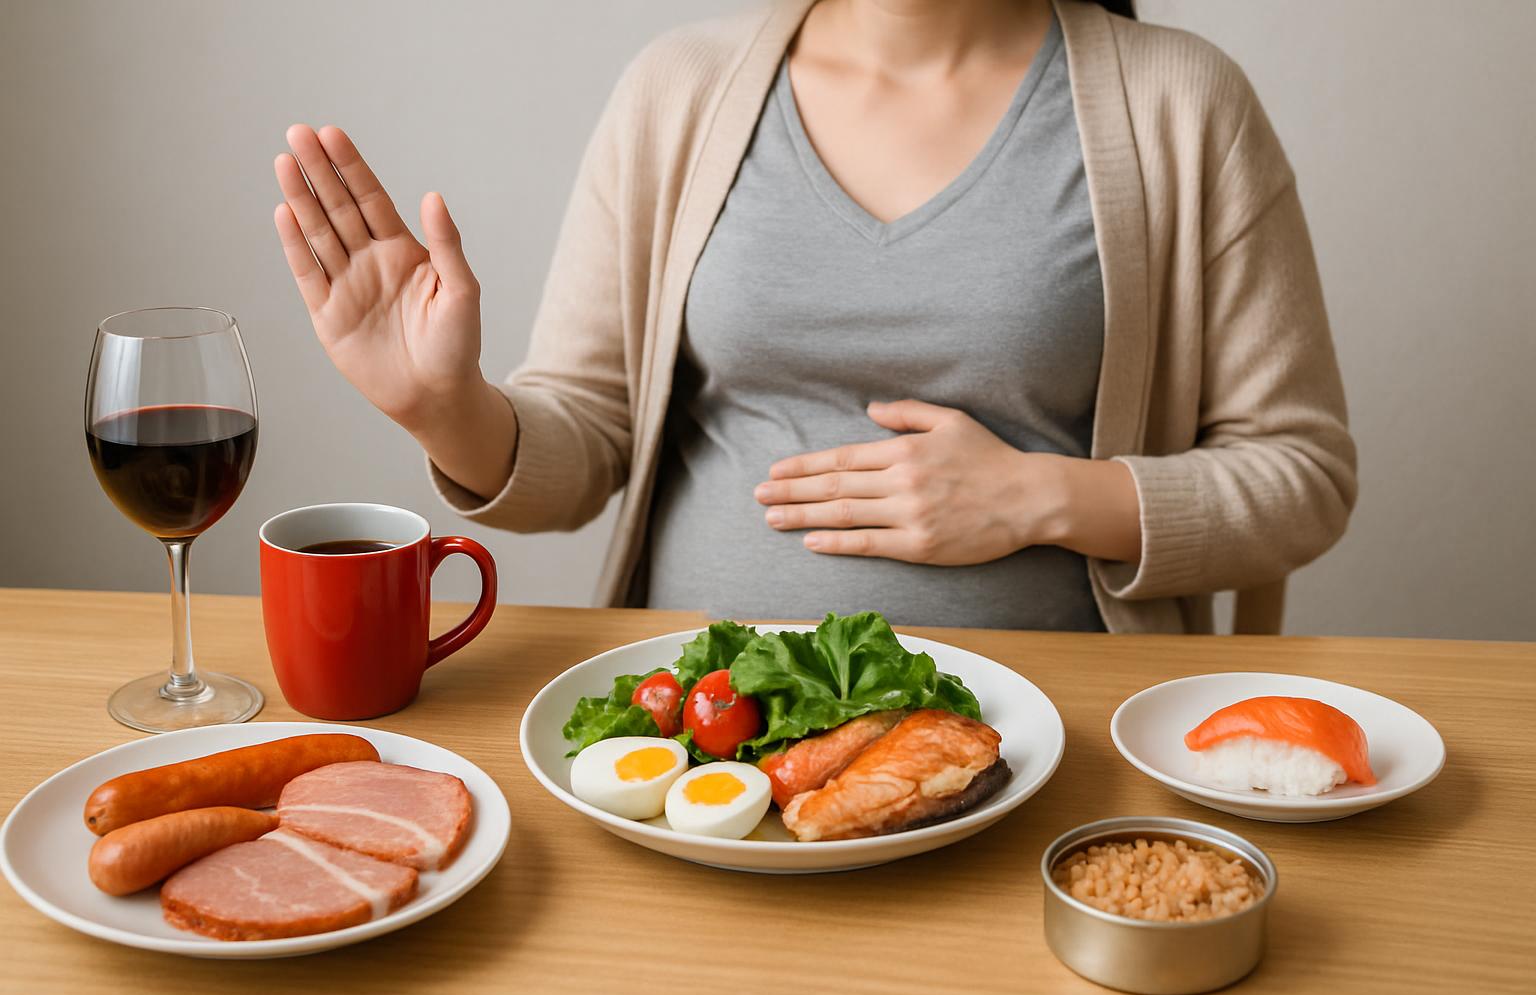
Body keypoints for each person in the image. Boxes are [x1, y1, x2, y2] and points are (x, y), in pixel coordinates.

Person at [271, 0, 1356, 633]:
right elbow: (589, 437)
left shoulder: (1182, 103)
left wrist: (1043, 497)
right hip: (700, 745)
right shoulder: (676, 92)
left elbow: (1302, 479)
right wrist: (445, 407)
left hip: (1055, 760)